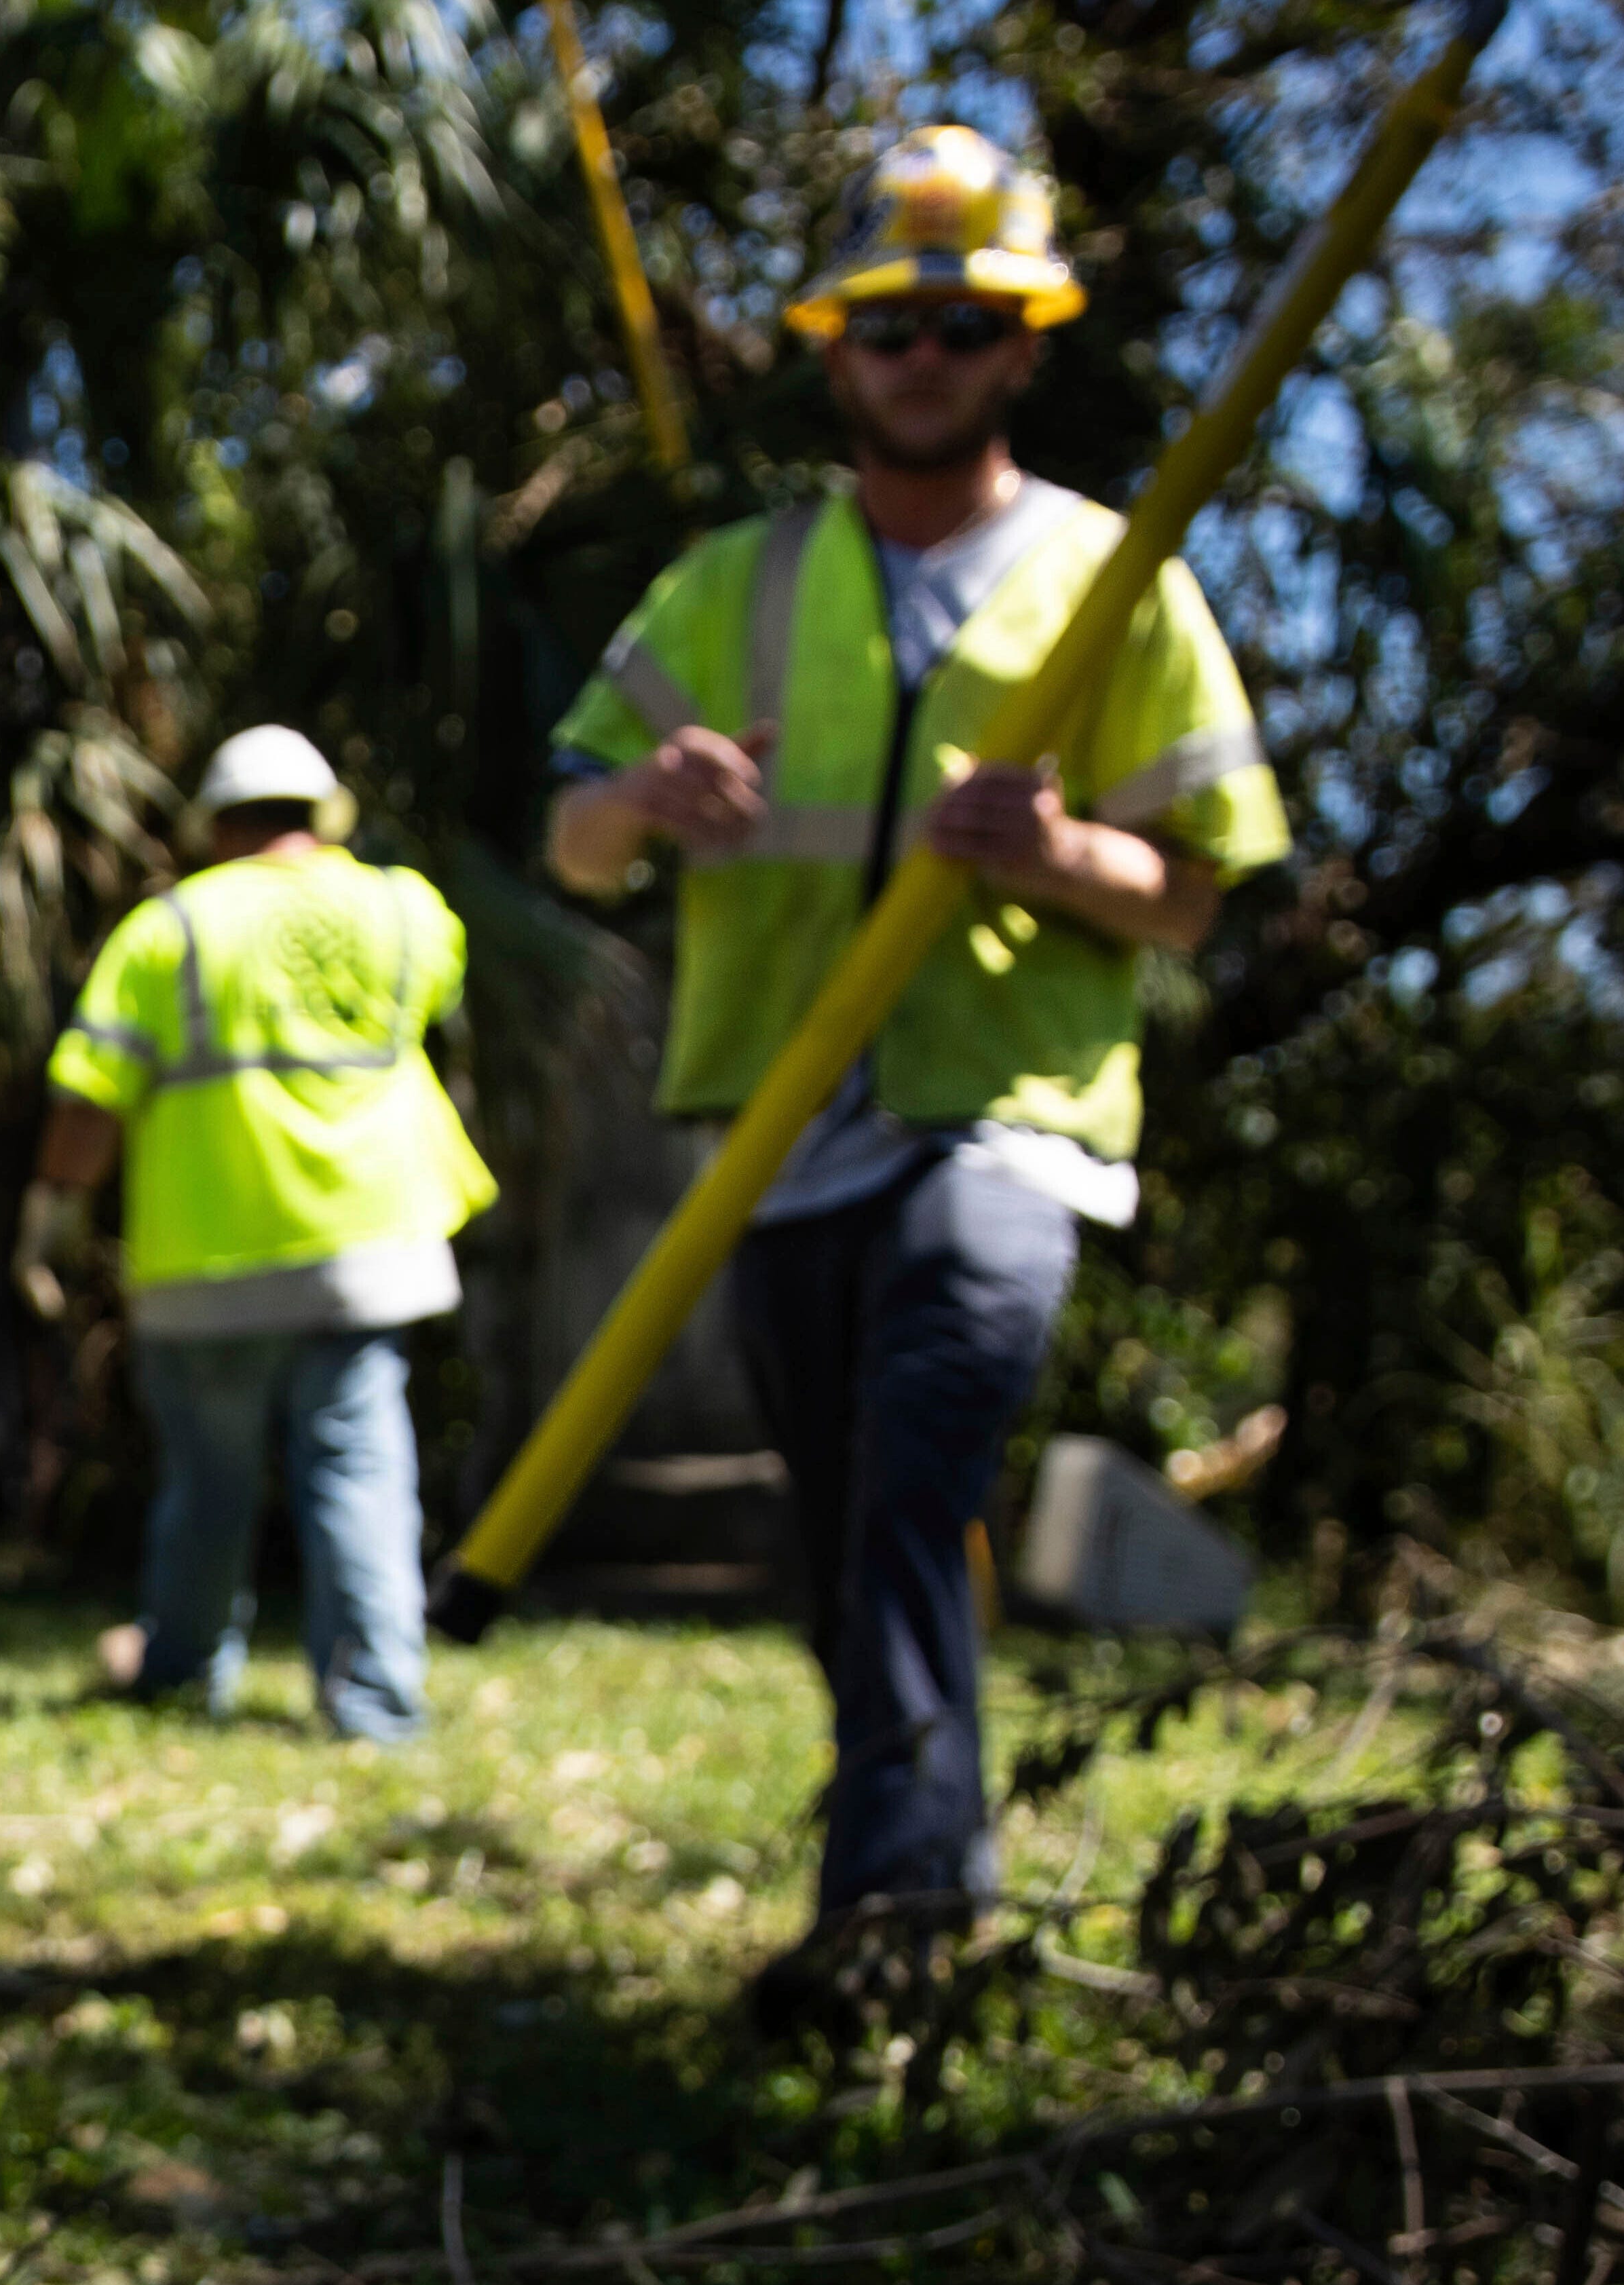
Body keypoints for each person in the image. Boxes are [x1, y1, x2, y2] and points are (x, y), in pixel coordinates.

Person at [544, 124, 1287, 1938]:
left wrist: (1064, 851)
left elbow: (1198, 893)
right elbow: (573, 844)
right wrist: (642, 799)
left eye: (965, 324)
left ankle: (892, 1906)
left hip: (1005, 1116)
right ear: (838, 352)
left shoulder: (1117, 578)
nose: (925, 356)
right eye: (889, 325)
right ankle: (925, 1837)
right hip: (779, 1125)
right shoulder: (737, 581)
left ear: (1023, 345)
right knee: (845, 1519)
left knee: (915, 1460)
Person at [22, 724, 492, 1741]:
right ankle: (375, 1701)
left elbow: (92, 1097)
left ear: (215, 825)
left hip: (211, 1259)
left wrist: (51, 1214)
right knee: (360, 1473)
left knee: (208, 1484)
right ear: (323, 815)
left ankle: (182, 1673)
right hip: (368, 1248)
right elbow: (436, 997)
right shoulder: (404, 911)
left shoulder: (173, 929)